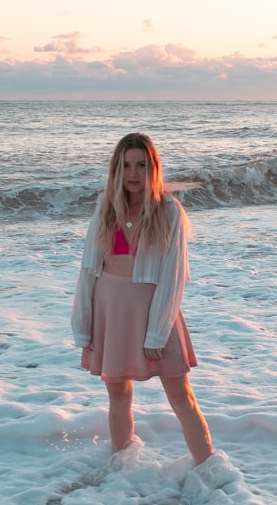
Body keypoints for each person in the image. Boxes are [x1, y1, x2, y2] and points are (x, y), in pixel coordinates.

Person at [72, 133, 214, 464]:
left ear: (153, 168)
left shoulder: (168, 209)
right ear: (115, 169)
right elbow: (88, 269)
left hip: (153, 312)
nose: (133, 173)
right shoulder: (105, 205)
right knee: (118, 395)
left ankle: (212, 472)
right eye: (125, 166)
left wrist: (156, 332)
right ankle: (121, 471)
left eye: (140, 165)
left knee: (181, 397)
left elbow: (173, 276)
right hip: (111, 309)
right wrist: (83, 323)